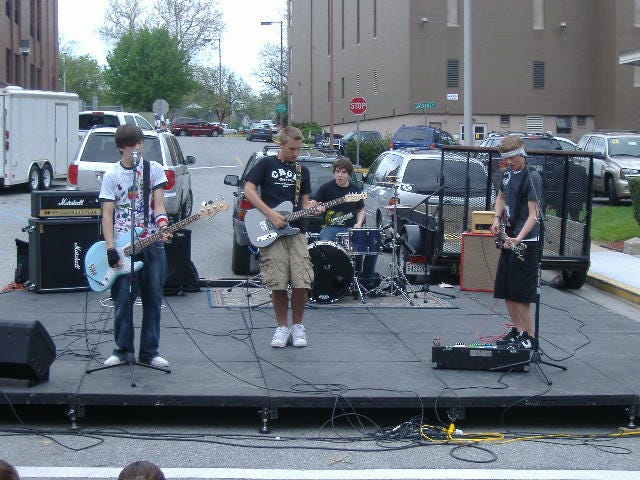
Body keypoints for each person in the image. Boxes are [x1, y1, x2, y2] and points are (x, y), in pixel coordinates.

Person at [99, 125, 172, 367]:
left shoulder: (154, 170)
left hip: (151, 242)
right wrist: (110, 248)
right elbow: (107, 214)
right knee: (123, 299)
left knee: (153, 298)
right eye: (131, 145)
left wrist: (162, 225)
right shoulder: (112, 175)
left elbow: (158, 204)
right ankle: (122, 350)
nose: (136, 148)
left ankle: (150, 352)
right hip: (123, 244)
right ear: (121, 147)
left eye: (139, 143)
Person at [244, 126, 321, 348]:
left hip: (296, 230)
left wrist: (314, 208)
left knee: (301, 280)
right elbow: (248, 190)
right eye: (291, 149)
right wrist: (270, 213)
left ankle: (298, 326)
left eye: (298, 149)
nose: (296, 153)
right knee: (277, 282)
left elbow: (305, 203)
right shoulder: (266, 164)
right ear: (281, 145)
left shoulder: (301, 171)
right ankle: (281, 327)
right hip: (271, 230)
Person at [490, 135, 543, 350]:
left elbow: (534, 215)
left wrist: (518, 239)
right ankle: (518, 330)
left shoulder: (532, 177)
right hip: (509, 237)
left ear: (522, 154)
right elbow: (501, 197)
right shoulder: (507, 174)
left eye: (512, 158)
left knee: (521, 292)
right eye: (506, 159)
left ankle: (530, 337)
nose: (509, 163)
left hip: (526, 240)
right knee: (506, 289)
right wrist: (496, 218)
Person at [313, 157, 378, 288]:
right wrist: (316, 209)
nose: (340, 175)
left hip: (350, 228)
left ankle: (366, 280)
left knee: (373, 246)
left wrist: (358, 224)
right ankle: (325, 279)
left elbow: (361, 210)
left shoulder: (355, 190)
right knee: (324, 250)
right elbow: (314, 205)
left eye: (343, 172)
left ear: (349, 174)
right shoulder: (326, 188)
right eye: (337, 171)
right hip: (330, 227)